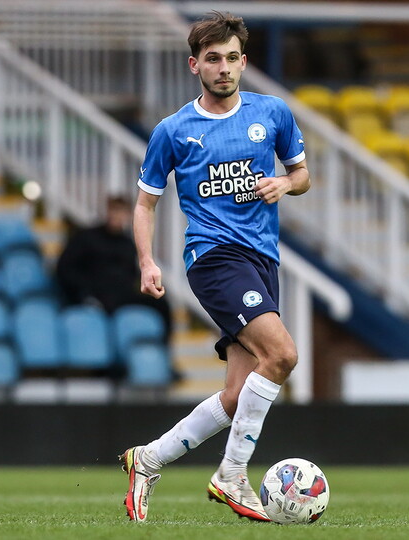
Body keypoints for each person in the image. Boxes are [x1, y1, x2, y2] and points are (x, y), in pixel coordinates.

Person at [120, 11, 310, 523]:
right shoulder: (174, 130)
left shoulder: (272, 113)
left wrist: (285, 185)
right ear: (194, 65)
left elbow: (302, 174)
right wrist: (147, 260)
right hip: (213, 258)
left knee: (235, 395)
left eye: (231, 58)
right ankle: (231, 474)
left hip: (261, 260)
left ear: (243, 62)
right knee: (284, 355)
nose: (223, 68)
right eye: (212, 59)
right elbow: (145, 203)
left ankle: (148, 459)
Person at [56, 195, 172, 344]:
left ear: (128, 214)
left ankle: (163, 348)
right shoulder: (86, 238)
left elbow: (132, 274)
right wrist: (85, 293)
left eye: (121, 212)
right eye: (114, 211)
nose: (117, 216)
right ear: (108, 212)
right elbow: (65, 269)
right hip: (97, 295)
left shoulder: (127, 243)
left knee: (161, 303)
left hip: (122, 296)